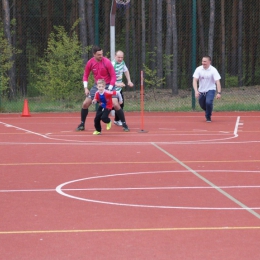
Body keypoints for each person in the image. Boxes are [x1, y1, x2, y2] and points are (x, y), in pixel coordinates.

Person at [76, 45, 129, 131]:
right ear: (94, 54)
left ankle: (124, 124)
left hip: (109, 85)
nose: (101, 56)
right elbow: (85, 75)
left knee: (115, 104)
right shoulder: (90, 63)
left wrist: (109, 88)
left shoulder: (107, 62)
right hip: (97, 86)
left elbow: (113, 76)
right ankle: (82, 124)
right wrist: (86, 88)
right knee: (85, 103)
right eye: (99, 54)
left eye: (102, 54)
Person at [193, 55, 222, 122]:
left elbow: (217, 81)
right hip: (201, 90)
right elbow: (194, 80)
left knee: (208, 102)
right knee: (202, 104)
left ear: (209, 62)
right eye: (203, 61)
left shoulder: (213, 70)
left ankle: (208, 117)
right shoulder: (198, 69)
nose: (203, 63)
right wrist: (196, 91)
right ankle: (208, 110)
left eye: (205, 61)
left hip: (211, 89)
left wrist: (219, 93)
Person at [111, 50, 134, 126]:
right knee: (112, 105)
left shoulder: (122, 62)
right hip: (112, 88)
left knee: (121, 104)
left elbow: (126, 71)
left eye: (122, 57)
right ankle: (102, 116)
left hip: (119, 89)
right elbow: (109, 78)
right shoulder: (112, 64)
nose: (120, 59)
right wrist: (117, 84)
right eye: (118, 57)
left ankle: (117, 120)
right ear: (115, 56)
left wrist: (129, 81)